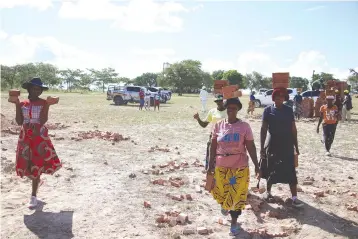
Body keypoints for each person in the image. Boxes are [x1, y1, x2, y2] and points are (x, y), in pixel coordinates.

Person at [207, 98, 260, 236]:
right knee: (221, 192)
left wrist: (257, 165)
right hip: (221, 167)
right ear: (226, 109)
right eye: (228, 108)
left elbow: (251, 146)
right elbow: (213, 146)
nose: (231, 110)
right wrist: (210, 164)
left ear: (237, 109)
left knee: (237, 195)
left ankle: (234, 222)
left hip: (239, 168)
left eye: (234, 108)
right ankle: (225, 205)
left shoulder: (244, 126)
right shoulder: (218, 125)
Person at [12, 77, 61, 208]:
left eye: (39, 89)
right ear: (29, 89)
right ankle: (37, 180)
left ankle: (33, 196)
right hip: (25, 138)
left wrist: (48, 106)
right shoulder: (22, 103)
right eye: (34, 89)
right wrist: (16, 104)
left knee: (37, 164)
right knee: (25, 164)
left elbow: (43, 120)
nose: (37, 91)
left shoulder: (44, 103)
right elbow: (19, 122)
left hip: (39, 138)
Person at [260, 88, 303, 208]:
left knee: (290, 169)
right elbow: (263, 129)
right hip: (272, 144)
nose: (279, 98)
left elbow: (293, 129)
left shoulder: (289, 110)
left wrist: (296, 146)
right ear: (273, 98)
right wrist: (262, 147)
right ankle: (268, 192)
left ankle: (294, 197)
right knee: (270, 167)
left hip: (287, 144)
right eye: (277, 96)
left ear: (285, 98)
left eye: (282, 96)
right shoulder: (267, 110)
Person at [193, 95, 226, 169]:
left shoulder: (228, 111)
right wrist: (198, 119)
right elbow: (204, 124)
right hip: (213, 137)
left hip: (225, 138)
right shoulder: (212, 111)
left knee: (223, 160)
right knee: (212, 157)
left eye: (221, 101)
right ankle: (211, 174)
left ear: (224, 101)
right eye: (217, 101)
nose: (219, 103)